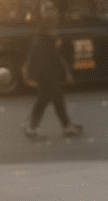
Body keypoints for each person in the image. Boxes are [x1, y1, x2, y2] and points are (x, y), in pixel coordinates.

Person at [22, 12, 83, 140]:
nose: (56, 29)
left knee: (56, 100)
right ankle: (32, 128)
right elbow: (43, 61)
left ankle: (66, 126)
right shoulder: (43, 42)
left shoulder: (45, 39)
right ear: (48, 27)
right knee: (44, 101)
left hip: (50, 76)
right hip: (48, 77)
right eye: (53, 26)